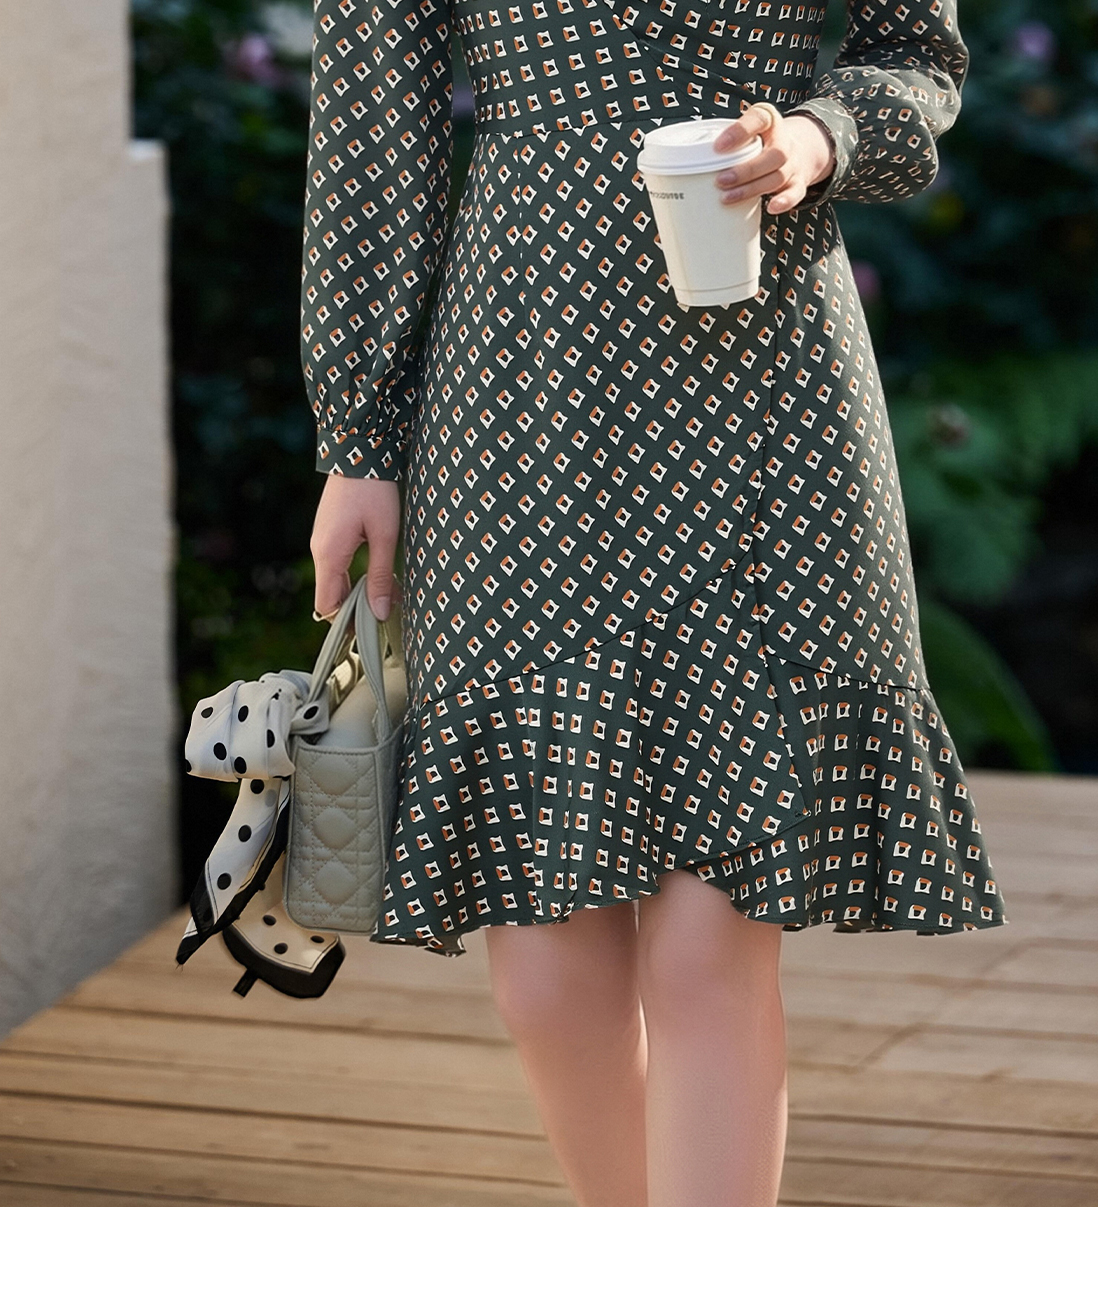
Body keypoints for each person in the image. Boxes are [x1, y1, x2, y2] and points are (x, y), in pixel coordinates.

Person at [303, 0, 1003, 1206]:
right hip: (519, 384)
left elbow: (918, 59)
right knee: (542, 975)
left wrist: (817, 138)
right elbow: (376, 124)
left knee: (705, 952)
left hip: (767, 380)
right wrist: (361, 440)